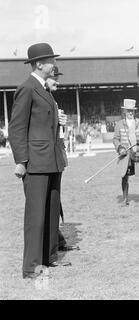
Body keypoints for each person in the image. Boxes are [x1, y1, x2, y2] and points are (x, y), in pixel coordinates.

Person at [8, 43, 70, 279]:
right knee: (36, 216)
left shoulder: (44, 89)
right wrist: (22, 160)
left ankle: (49, 257)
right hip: (35, 162)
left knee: (51, 211)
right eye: (50, 61)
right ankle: (31, 267)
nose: (54, 65)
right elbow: (16, 127)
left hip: (52, 161)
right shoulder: (27, 88)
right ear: (39, 64)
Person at [46, 67, 79, 252]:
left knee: (55, 200)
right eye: (54, 77)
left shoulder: (53, 100)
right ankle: (55, 241)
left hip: (57, 155)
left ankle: (56, 239)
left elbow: (58, 134)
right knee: (50, 202)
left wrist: (62, 125)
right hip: (47, 157)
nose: (57, 81)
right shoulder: (44, 99)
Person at [113, 99, 139, 206]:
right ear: (124, 111)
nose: (130, 113)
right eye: (128, 110)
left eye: (132, 111)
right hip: (125, 155)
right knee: (124, 176)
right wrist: (119, 148)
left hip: (138, 153)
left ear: (134, 111)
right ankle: (125, 198)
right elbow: (115, 139)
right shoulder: (119, 124)